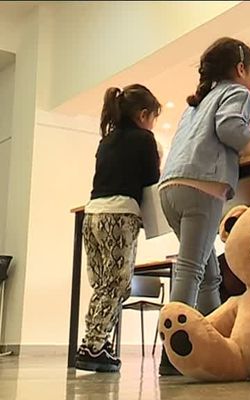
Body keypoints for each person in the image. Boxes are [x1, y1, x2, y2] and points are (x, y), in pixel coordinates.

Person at [158, 37, 250, 375]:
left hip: (171, 189)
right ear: (241, 69)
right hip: (202, 188)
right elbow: (229, 128)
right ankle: (173, 353)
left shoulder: (196, 104)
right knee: (191, 270)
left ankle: (222, 341)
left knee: (210, 276)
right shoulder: (238, 93)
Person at [76, 84, 162, 372]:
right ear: (143, 114)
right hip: (120, 217)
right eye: (153, 117)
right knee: (117, 286)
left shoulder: (107, 140)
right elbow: (152, 178)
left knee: (103, 285)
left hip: (93, 214)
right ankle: (93, 346)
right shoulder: (144, 139)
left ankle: (96, 343)